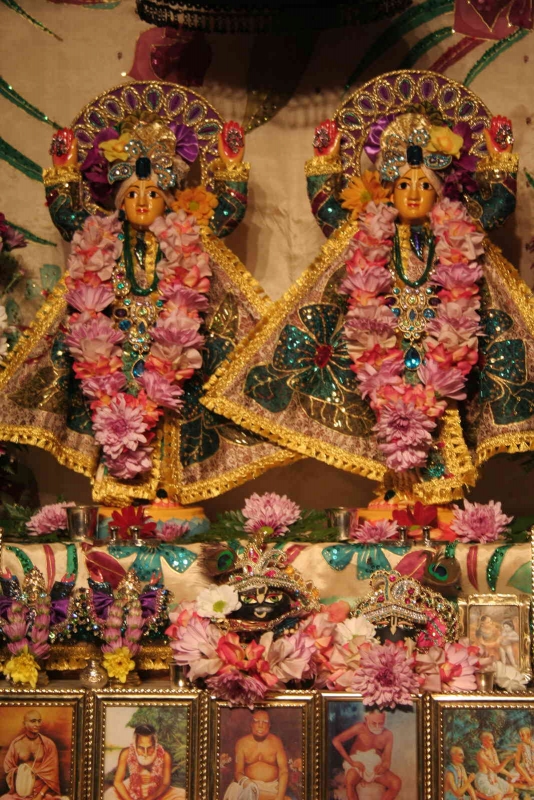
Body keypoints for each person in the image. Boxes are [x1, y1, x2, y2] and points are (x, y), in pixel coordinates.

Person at [203, 70, 534, 506]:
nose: (413, 194)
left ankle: (441, 500)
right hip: (385, 351)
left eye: (424, 185)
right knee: (386, 413)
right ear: (387, 191)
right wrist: (324, 163)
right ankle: (395, 493)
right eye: (403, 184)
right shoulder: (369, 235)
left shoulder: (458, 233)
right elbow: (330, 213)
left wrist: (500, 159)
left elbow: (497, 207)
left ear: (440, 192)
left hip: (445, 352)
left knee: (442, 412)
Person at [0, 81, 288, 509]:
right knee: (112, 408)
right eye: (131, 193)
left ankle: (168, 491)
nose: (141, 202)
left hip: (172, 352)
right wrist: (62, 172)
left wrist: (232, 170)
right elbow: (69, 219)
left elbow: (225, 216)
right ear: (118, 201)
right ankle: (118, 492)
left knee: (170, 412)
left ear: (167, 201)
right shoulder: (101, 240)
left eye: (152, 193)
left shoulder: (184, 239)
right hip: (114, 353)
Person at [331, 709, 401, 800]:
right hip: (357, 763)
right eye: (374, 723)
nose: (377, 726)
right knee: (350, 779)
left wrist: (384, 767)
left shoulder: (388, 735)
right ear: (366, 719)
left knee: (396, 783)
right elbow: (336, 741)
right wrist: (352, 762)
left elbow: (387, 760)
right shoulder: (360, 727)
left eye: (381, 723)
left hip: (374, 765)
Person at [104, 723, 184, 800]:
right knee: (109, 795)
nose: (145, 753)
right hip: (131, 789)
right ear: (135, 744)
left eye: (150, 747)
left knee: (182, 795)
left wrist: (149, 799)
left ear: (155, 744)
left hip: (157, 791)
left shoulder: (165, 756)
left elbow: (165, 783)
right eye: (141, 748)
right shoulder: (126, 753)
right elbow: (118, 782)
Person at [223, 710, 291, 800]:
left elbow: (284, 771)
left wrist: (280, 797)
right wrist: (247, 783)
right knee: (236, 790)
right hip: (248, 786)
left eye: (265, 722)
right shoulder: (242, 743)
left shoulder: (276, 742)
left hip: (271, 788)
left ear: (269, 725)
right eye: (256, 721)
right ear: (251, 724)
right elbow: (238, 772)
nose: (260, 725)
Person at [0, 710, 63, 800]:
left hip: (43, 793)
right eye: (33, 721)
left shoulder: (48, 744)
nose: (37, 724)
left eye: (39, 721)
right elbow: (9, 768)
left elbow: (52, 776)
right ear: (24, 724)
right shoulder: (16, 744)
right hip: (21, 793)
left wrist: (39, 795)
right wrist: (22, 771)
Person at [474, 731, 518, 800]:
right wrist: (508, 759)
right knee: (498, 796)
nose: (493, 742)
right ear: (484, 741)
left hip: (493, 777)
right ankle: (479, 794)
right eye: (491, 740)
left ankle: (496, 795)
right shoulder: (481, 754)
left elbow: (499, 767)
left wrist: (510, 775)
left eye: (493, 740)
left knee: (511, 789)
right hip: (483, 779)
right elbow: (496, 769)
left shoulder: (493, 750)